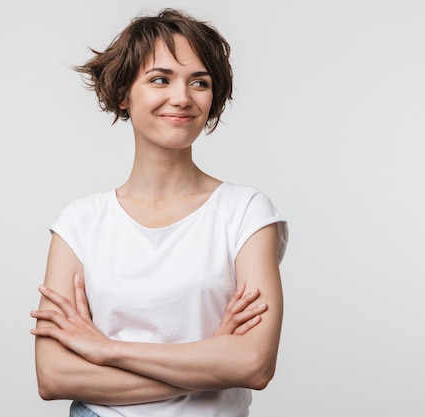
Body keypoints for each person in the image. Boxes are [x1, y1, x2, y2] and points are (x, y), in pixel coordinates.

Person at [30, 8, 288, 417]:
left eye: (199, 82)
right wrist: (209, 361)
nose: (182, 97)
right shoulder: (79, 224)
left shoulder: (246, 213)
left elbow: (253, 364)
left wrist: (106, 350)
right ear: (123, 94)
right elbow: (54, 377)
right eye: (160, 79)